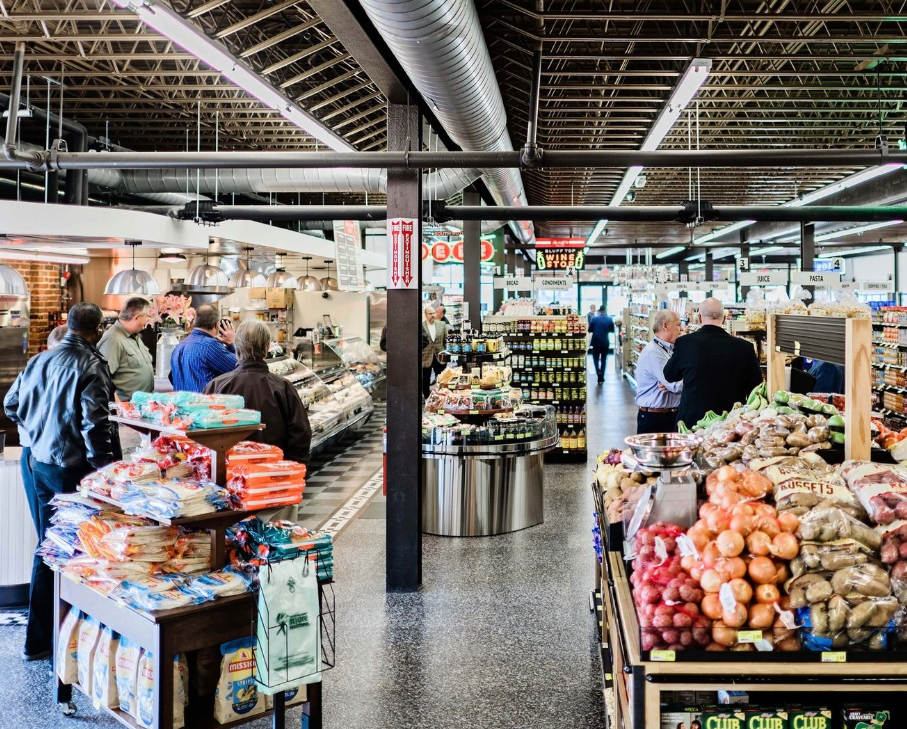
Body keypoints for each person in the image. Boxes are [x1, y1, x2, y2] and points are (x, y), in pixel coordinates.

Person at [4, 303, 121, 661]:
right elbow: (95, 427)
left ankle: (39, 640)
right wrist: (110, 475)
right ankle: (78, 641)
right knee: (84, 550)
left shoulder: (40, 359)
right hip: (71, 470)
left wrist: (39, 427)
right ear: (97, 329)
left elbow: (11, 404)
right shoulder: (91, 364)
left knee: (48, 546)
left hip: (38, 463)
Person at [204, 320, 312, 465]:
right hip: (273, 472)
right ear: (267, 348)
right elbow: (301, 434)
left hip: (229, 474)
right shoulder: (283, 387)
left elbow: (203, 434)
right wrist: (289, 467)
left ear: (237, 347)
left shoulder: (216, 386)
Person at [663, 297, 763, 428]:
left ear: (699, 318)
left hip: (693, 421)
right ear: (725, 318)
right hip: (731, 423)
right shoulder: (745, 347)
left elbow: (669, 375)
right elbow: (756, 389)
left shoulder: (685, 343)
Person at [635, 310, 683, 434]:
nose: (681, 329)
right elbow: (674, 385)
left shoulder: (671, 349)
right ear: (665, 325)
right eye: (678, 325)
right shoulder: (654, 352)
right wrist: (693, 379)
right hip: (655, 419)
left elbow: (673, 381)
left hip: (669, 415)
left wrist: (676, 380)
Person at [170, 304, 237, 392]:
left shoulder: (179, 346)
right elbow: (240, 369)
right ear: (217, 325)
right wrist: (232, 344)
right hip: (203, 404)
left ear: (194, 321)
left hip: (181, 404)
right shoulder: (210, 346)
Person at [98, 297, 154, 400]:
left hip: (141, 405)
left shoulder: (134, 335)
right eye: (147, 316)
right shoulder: (113, 340)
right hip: (126, 408)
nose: (147, 320)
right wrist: (119, 405)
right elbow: (101, 378)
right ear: (137, 317)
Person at [421, 305, 447, 398]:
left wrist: (445, 352)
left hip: (439, 356)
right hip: (426, 356)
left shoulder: (442, 325)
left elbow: (446, 340)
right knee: (425, 379)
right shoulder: (421, 326)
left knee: (442, 378)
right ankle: (427, 397)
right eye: (430, 313)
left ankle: (442, 396)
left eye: (433, 313)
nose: (432, 315)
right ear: (425, 315)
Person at [588, 305, 615, 383]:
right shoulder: (610, 319)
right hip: (605, 342)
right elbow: (612, 331)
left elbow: (590, 330)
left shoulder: (594, 319)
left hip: (595, 342)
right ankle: (602, 375)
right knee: (604, 360)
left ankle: (598, 372)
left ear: (599, 311)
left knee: (595, 359)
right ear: (605, 310)